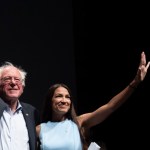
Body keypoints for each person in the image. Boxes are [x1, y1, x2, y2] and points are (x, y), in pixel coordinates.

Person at [36, 51, 150, 150]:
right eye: (59, 96)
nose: (64, 100)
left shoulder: (79, 123)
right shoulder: (39, 129)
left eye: (68, 97)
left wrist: (135, 82)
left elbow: (110, 107)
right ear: (50, 101)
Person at [0, 61, 40, 150]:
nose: (13, 83)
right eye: (7, 79)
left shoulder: (31, 112)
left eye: (17, 79)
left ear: (22, 86)